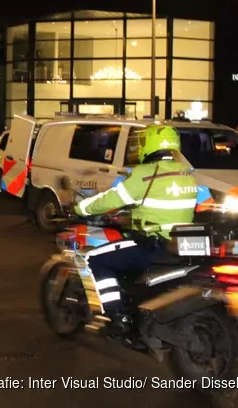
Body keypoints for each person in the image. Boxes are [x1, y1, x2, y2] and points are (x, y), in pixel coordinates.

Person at [73, 125, 198, 337]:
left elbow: (110, 199)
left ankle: (116, 316)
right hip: (180, 245)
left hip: (153, 245)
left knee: (95, 259)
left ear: (149, 145)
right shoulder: (188, 175)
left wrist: (80, 208)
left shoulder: (146, 175)